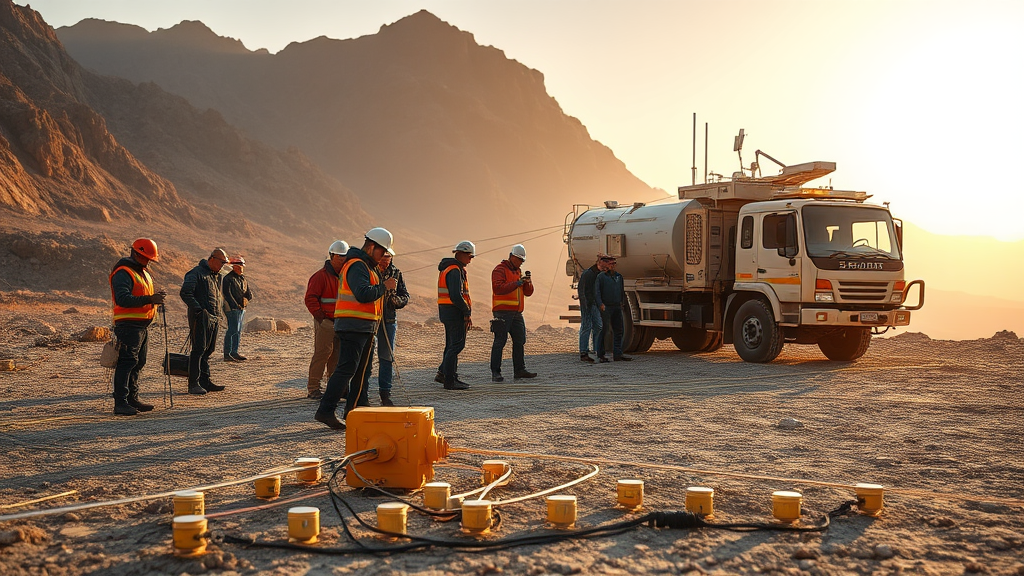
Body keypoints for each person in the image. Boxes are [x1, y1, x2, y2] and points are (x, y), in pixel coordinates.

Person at [315, 228, 397, 430]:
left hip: (365, 326)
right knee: (347, 369)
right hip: (353, 326)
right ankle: (326, 410)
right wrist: (384, 286)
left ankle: (355, 409)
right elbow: (363, 293)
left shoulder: (368, 267)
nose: (383, 256)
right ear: (371, 246)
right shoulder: (357, 265)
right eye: (382, 251)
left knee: (363, 370)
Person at [108, 238, 167, 415]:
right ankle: (121, 402)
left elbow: (141, 295)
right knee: (127, 362)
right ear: (135, 253)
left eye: (150, 259)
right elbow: (122, 299)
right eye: (145, 258)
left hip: (141, 326)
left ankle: (132, 399)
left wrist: (154, 299)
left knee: (138, 362)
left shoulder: (143, 273)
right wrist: (150, 299)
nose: (148, 261)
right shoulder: (123, 272)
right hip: (128, 325)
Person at [180, 248, 229, 395]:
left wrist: (218, 314)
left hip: (214, 318)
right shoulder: (196, 273)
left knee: (208, 350)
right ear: (212, 259)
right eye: (221, 262)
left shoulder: (215, 276)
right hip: (200, 318)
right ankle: (193, 383)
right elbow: (185, 292)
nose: (222, 266)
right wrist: (198, 309)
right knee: (198, 349)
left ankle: (205, 381)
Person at [304, 240, 348, 400]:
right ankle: (313, 388)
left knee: (336, 356)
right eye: (339, 256)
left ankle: (334, 388)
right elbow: (310, 298)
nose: (342, 259)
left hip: (341, 321)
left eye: (344, 256)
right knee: (322, 354)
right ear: (331, 256)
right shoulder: (320, 276)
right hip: (326, 322)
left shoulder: (345, 276)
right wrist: (320, 317)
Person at [489, 244, 536, 382]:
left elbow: (528, 293)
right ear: (511, 256)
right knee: (500, 341)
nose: (521, 262)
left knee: (520, 341)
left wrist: (527, 283)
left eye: (522, 260)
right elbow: (498, 288)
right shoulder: (499, 270)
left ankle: (519, 370)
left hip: (516, 313)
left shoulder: (518, 272)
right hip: (502, 312)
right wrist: (517, 283)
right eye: (519, 259)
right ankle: (496, 372)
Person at [435, 241, 474, 390]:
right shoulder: (454, 270)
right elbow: (456, 296)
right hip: (454, 312)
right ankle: (450, 380)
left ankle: (444, 374)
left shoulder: (448, 268)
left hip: (447, 311)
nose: (470, 260)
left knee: (451, 345)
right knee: (457, 345)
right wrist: (466, 312)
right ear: (461, 254)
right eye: (469, 256)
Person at [376, 252, 409, 406]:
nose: (385, 262)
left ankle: (385, 393)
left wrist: (397, 301)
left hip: (388, 319)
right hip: (370, 319)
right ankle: (360, 393)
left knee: (387, 357)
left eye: (388, 258)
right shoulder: (369, 271)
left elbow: (405, 295)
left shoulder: (396, 272)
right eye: (383, 258)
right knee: (364, 358)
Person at [594, 256, 632, 362]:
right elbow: (597, 291)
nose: (612, 265)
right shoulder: (601, 277)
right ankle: (600, 355)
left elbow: (621, 290)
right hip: (606, 306)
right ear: (606, 265)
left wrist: (622, 303)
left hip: (617, 306)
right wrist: (600, 304)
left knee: (619, 330)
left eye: (614, 263)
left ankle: (618, 354)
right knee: (604, 330)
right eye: (610, 264)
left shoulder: (618, 277)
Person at [222, 256, 253, 362]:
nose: (241, 268)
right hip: (231, 308)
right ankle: (227, 353)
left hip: (241, 308)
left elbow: (248, 292)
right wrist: (235, 305)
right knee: (232, 330)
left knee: (238, 330)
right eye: (239, 266)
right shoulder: (228, 279)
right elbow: (227, 294)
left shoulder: (242, 278)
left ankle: (234, 352)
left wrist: (247, 300)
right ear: (234, 267)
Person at [577, 254, 607, 363]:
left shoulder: (600, 274)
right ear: (599, 262)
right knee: (586, 326)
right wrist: (585, 304)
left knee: (598, 325)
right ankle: (583, 352)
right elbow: (581, 290)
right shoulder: (588, 273)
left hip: (594, 304)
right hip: (587, 304)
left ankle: (595, 349)